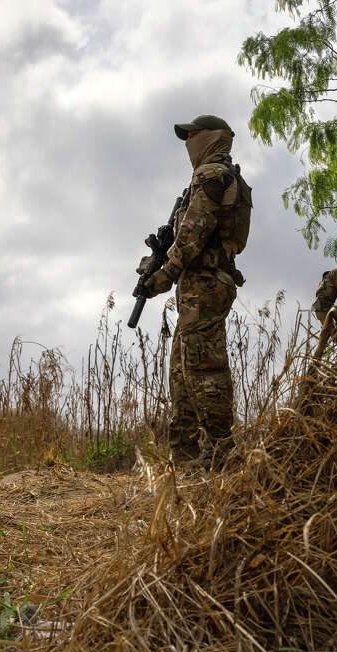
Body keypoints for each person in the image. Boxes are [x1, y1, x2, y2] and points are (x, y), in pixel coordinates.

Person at [140, 114, 251, 462]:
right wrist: (157, 264)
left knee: (204, 366)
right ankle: (184, 457)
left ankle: (222, 451)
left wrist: (165, 273)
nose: (189, 142)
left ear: (213, 138)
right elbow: (184, 236)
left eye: (194, 135)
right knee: (182, 369)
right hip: (199, 285)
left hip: (205, 283)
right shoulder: (216, 177)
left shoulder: (212, 175)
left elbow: (193, 235)